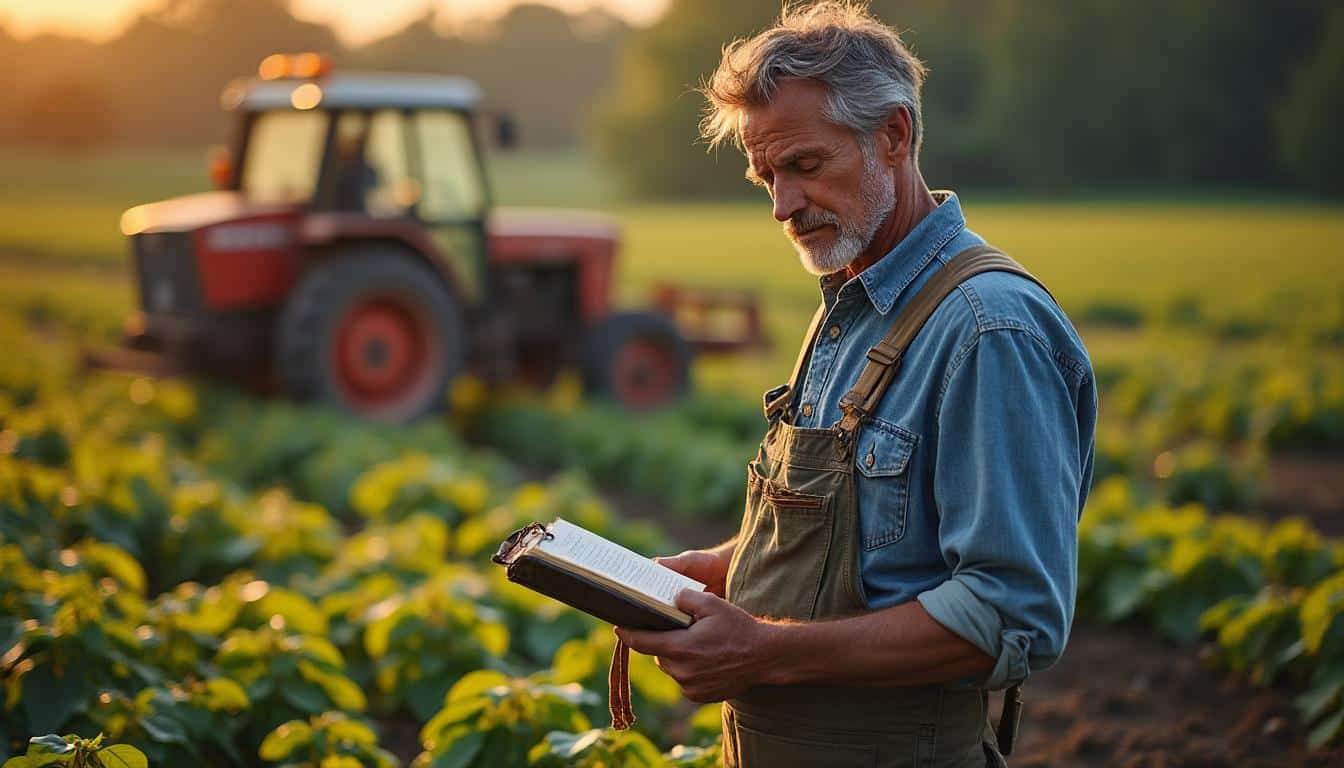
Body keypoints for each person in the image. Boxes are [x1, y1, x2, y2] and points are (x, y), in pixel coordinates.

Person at [613, 3, 1097, 766]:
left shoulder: (986, 330)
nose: (782, 205)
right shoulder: (854, 298)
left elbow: (1011, 612)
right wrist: (724, 568)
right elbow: (874, 537)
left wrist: (766, 652)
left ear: (894, 137)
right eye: (765, 175)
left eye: (804, 166)